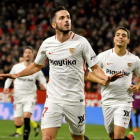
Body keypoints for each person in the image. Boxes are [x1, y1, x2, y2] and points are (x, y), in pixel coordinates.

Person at [0, 6, 123, 140]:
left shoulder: (81, 42)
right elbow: (36, 66)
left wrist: (106, 78)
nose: (67, 20)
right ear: (54, 24)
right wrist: (17, 75)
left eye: (68, 17)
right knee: (47, 137)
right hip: (53, 99)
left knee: (77, 137)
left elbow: (94, 67)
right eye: (62, 18)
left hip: (75, 99)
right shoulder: (47, 44)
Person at [87, 27, 140, 140]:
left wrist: (137, 86)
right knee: (112, 136)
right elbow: (89, 74)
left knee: (118, 137)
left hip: (124, 101)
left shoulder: (134, 60)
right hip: (107, 101)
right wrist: (102, 81)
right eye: (118, 35)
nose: (120, 37)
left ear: (128, 40)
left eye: (124, 35)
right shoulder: (103, 56)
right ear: (114, 39)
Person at [3, 46, 47, 140]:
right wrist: (6, 87)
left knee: (26, 116)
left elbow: (43, 81)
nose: (27, 54)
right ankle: (34, 127)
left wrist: (45, 87)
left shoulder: (36, 68)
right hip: (17, 97)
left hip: (30, 97)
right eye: (26, 52)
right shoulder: (16, 67)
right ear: (23, 54)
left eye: (29, 52)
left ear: (32, 55)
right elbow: (9, 78)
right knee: (18, 124)